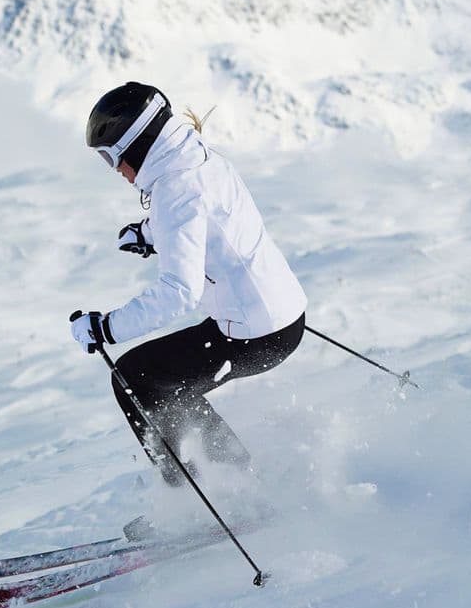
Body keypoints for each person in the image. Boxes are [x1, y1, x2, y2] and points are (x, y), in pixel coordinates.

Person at [71, 81, 307, 486]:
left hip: (255, 333)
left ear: (137, 145)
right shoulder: (196, 158)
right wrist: (152, 234)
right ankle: (234, 478)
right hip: (280, 315)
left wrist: (106, 327)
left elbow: (179, 292)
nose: (116, 171)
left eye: (112, 159)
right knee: (165, 381)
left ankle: (199, 499)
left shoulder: (175, 189)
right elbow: (209, 221)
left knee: (136, 379)